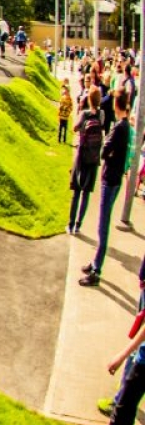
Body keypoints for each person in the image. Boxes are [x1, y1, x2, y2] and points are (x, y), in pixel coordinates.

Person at [81, 92, 131, 286]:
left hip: (109, 181)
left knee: (103, 226)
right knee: (103, 223)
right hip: (115, 180)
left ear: (115, 106)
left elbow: (104, 151)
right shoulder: (125, 127)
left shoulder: (119, 128)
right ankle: (95, 262)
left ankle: (97, 270)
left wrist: (107, 152)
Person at [68, 87, 104, 235]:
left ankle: (70, 225)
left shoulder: (84, 114)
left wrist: (81, 111)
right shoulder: (101, 114)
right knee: (86, 193)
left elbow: (75, 128)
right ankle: (78, 225)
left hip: (82, 155)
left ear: (89, 99)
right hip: (94, 158)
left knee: (76, 191)